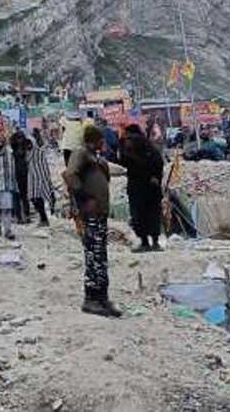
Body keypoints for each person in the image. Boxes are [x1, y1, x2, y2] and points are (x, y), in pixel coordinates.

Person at [65, 126, 123, 317]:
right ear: (94, 140)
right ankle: (91, 299)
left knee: (101, 257)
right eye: (100, 139)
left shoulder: (95, 158)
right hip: (90, 215)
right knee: (93, 256)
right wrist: (84, 198)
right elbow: (69, 175)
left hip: (100, 215)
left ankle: (102, 297)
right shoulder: (81, 154)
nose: (103, 142)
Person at [119, 124, 163, 252]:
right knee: (153, 213)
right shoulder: (150, 146)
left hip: (138, 186)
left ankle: (145, 243)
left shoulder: (129, 146)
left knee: (139, 214)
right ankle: (155, 242)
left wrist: (122, 146)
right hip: (151, 186)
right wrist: (156, 177)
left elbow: (123, 162)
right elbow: (158, 162)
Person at [27, 135, 55, 227]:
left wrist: (46, 177)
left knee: (40, 197)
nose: (28, 146)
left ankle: (44, 219)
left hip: (41, 176)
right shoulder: (25, 153)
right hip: (31, 178)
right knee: (33, 197)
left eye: (30, 143)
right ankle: (43, 217)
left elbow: (44, 165)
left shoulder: (39, 152)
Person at [10, 128, 31, 223]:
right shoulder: (23, 150)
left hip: (18, 173)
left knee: (18, 195)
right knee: (22, 195)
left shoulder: (13, 151)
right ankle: (24, 215)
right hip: (21, 173)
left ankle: (20, 216)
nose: (20, 140)